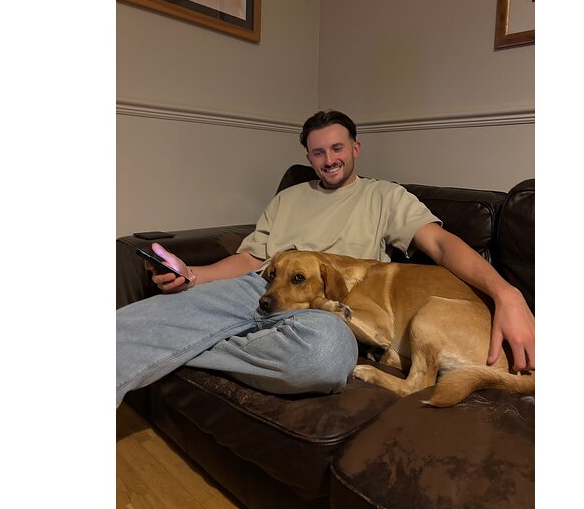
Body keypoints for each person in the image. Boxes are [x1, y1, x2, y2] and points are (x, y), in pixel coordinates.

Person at [116, 110, 535, 408]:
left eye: (337, 148)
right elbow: (251, 258)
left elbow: (442, 246)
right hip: (259, 287)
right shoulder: (288, 198)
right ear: (308, 157)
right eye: (318, 152)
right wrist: (194, 275)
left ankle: (189, 346)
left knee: (324, 359)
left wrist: (506, 293)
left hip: (330, 308)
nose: (329, 159)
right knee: (150, 318)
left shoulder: (384, 196)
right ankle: (185, 340)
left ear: (355, 148)